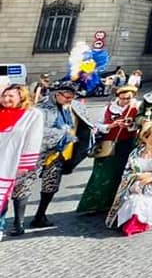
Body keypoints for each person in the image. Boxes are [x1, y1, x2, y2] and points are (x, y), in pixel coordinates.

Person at [27, 81, 93, 228]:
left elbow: (87, 125)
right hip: (40, 152)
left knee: (51, 185)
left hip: (61, 154)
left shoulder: (75, 107)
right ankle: (17, 222)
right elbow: (39, 131)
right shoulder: (42, 108)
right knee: (25, 186)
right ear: (57, 94)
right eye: (67, 97)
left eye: (72, 97)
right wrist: (64, 135)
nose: (70, 100)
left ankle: (40, 216)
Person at [105, 121, 152, 235]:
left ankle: (139, 222)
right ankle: (131, 221)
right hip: (137, 186)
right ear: (145, 138)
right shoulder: (135, 153)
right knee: (133, 200)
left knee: (142, 202)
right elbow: (127, 172)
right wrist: (138, 177)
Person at [76, 83, 140, 214]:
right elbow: (96, 125)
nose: (125, 101)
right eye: (123, 98)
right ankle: (96, 204)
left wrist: (129, 126)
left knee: (122, 174)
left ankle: (117, 203)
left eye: (128, 98)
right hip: (108, 145)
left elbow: (139, 125)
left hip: (127, 144)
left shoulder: (136, 107)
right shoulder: (108, 108)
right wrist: (110, 126)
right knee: (102, 175)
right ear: (118, 97)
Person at [0, 82, 43, 238]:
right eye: (4, 95)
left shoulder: (32, 114)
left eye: (10, 96)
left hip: (11, 161)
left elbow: (33, 140)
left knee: (4, 195)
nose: (6, 99)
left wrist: (24, 165)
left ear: (21, 97)